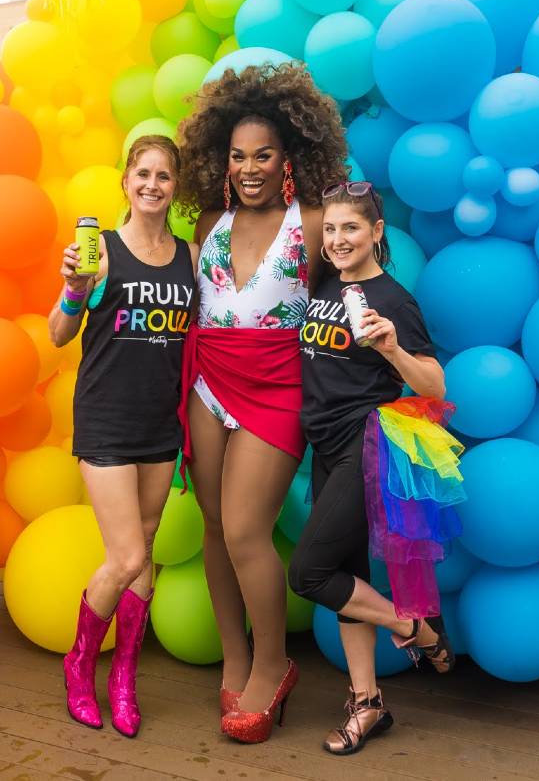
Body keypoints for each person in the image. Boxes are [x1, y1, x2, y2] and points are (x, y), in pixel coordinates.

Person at [175, 62, 347, 743]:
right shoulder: (208, 220)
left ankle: (273, 666)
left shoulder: (311, 222)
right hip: (208, 382)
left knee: (248, 530)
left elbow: (353, 288)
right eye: (238, 155)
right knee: (215, 527)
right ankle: (237, 655)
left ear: (290, 157)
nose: (249, 168)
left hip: (278, 389)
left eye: (264, 154)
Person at [288, 181, 465, 756]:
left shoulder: (392, 300)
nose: (338, 240)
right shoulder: (321, 281)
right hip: (325, 442)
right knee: (345, 572)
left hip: (366, 446)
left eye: (351, 229)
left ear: (377, 233)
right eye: (331, 229)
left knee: (309, 572)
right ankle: (367, 705)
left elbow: (437, 386)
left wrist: (391, 348)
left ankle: (413, 628)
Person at [49, 135, 196, 738]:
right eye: (143, 174)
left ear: (175, 185)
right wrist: (74, 290)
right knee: (127, 555)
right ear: (126, 182)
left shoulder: (190, 257)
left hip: (162, 421)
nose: (153, 185)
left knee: (149, 548)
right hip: (106, 418)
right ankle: (81, 663)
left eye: (164, 175)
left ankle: (124, 678)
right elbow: (59, 333)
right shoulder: (100, 251)